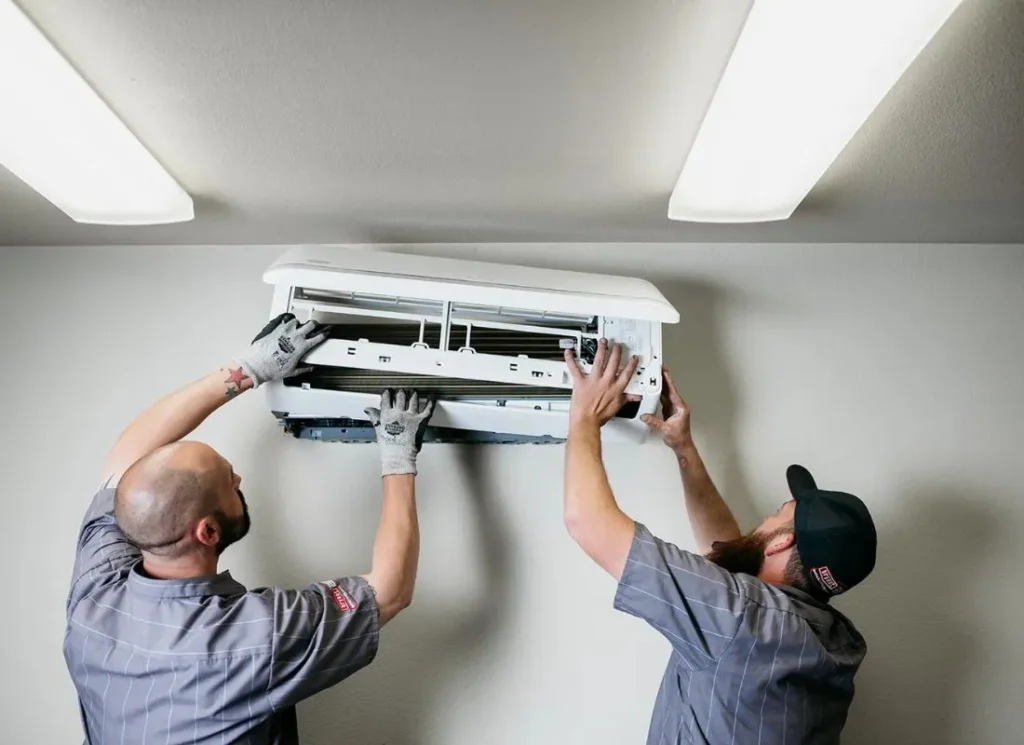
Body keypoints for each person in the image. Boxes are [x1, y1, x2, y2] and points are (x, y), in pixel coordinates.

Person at [63, 313, 437, 744]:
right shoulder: (253, 636)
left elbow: (125, 463)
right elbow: (389, 592)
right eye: (228, 481)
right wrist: (398, 456)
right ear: (207, 532)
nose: (238, 480)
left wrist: (250, 368)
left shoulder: (95, 596)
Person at [562, 340, 877, 745]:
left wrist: (584, 418)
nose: (762, 520)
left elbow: (587, 522)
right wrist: (684, 450)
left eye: (776, 514)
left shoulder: (741, 620)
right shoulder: (830, 641)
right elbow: (734, 555)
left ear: (781, 545)